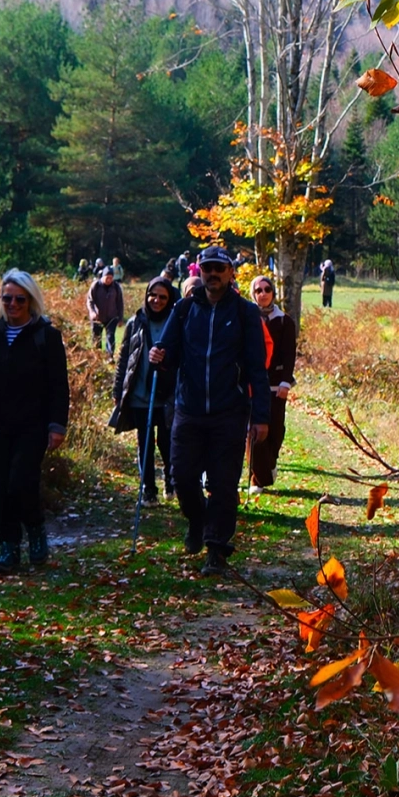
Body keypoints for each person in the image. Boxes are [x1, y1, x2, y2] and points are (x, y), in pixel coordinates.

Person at [148, 245, 269, 574]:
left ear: (230, 272)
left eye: (219, 268)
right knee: (182, 477)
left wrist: (261, 416)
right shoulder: (184, 309)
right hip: (188, 408)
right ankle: (197, 519)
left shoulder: (245, 313)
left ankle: (216, 549)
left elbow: (257, 368)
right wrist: (159, 356)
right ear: (199, 272)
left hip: (229, 411)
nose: (212, 274)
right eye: (207, 269)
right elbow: (168, 353)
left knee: (223, 483)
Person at [0, 270, 70, 574]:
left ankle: (36, 528)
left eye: (20, 299)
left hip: (33, 425)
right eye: (7, 298)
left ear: (31, 301)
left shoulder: (46, 336)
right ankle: (8, 547)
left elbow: (59, 385)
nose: (13, 304)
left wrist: (57, 425)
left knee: (21, 482)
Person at [111, 276, 178, 505]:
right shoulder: (135, 322)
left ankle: (170, 481)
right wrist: (118, 389)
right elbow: (124, 358)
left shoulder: (175, 322)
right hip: (140, 393)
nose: (156, 300)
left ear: (169, 299)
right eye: (152, 295)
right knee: (145, 443)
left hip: (167, 394)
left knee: (167, 442)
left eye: (162, 297)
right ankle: (149, 490)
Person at [248, 275, 296, 495]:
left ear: (273, 293)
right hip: (253, 384)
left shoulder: (284, 321)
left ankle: (270, 461)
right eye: (258, 290)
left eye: (267, 289)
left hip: (276, 385)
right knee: (255, 430)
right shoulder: (248, 318)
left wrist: (286, 381)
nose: (263, 294)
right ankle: (257, 478)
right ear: (253, 294)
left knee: (275, 430)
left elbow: (289, 354)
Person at [86, 267, 124, 360]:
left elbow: (120, 303)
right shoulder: (96, 286)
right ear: (103, 276)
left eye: (111, 278)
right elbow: (90, 301)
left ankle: (109, 357)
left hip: (112, 317)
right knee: (96, 337)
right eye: (107, 277)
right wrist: (92, 312)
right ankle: (97, 357)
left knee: (110, 337)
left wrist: (120, 318)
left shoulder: (116, 287)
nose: (109, 280)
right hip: (97, 317)